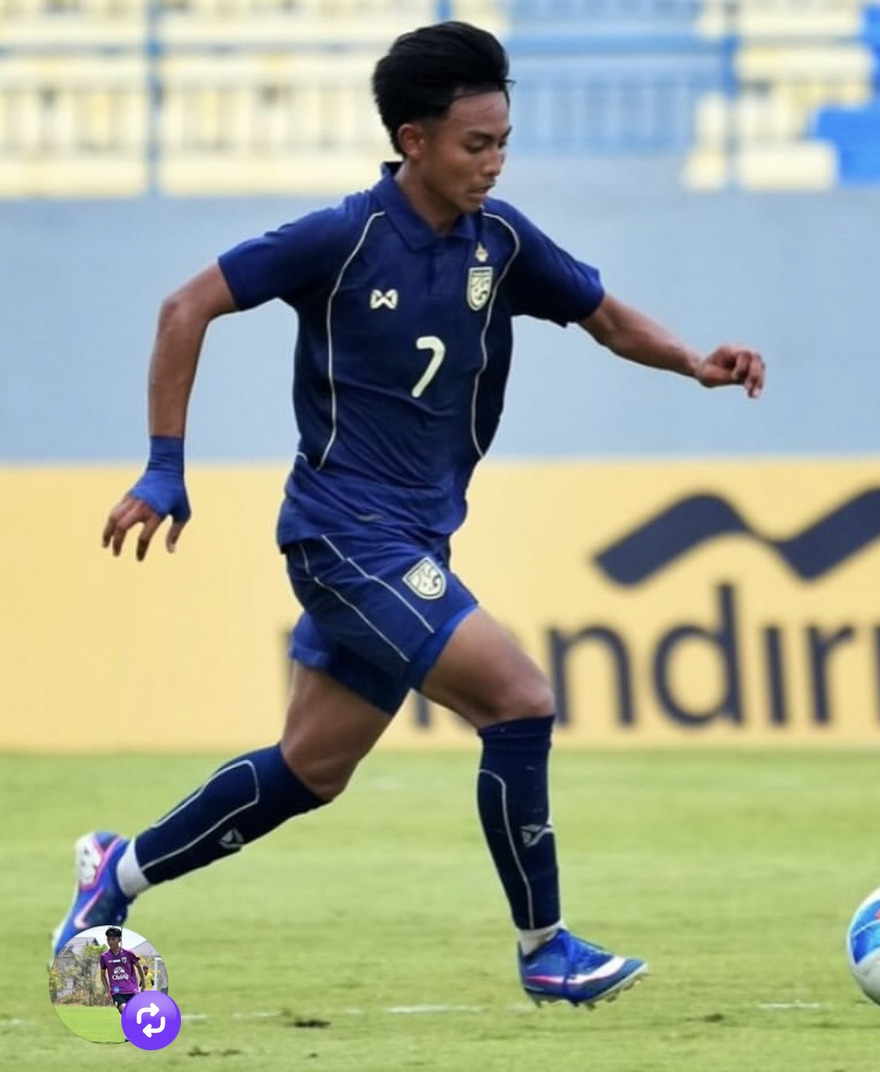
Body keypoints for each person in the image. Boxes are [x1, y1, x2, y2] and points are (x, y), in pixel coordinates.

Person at [51, 20, 764, 1008]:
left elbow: (604, 318)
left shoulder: (501, 242)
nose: (494, 162)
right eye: (476, 144)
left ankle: (115, 874)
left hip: (413, 540)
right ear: (412, 139)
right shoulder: (340, 239)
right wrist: (165, 466)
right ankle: (545, 948)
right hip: (342, 536)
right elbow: (185, 307)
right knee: (520, 699)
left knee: (310, 769)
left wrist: (693, 362)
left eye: (503, 141)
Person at [99, 927, 147, 1013]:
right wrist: (108, 991)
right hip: (117, 992)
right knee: (124, 1010)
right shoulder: (104, 957)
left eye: (113, 939)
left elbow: (139, 967)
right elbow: (102, 975)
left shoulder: (128, 953)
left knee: (135, 1013)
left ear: (119, 940)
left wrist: (143, 984)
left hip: (132, 990)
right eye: (109, 939)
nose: (111, 942)